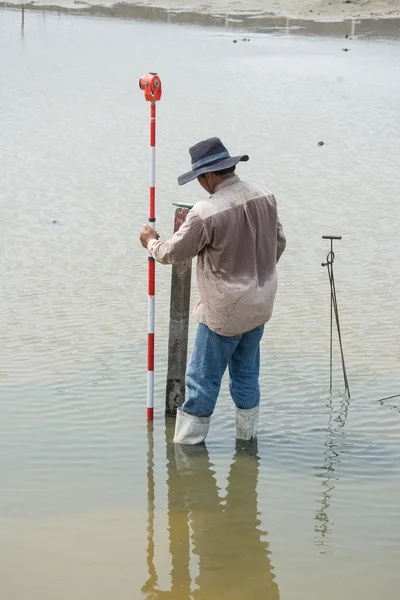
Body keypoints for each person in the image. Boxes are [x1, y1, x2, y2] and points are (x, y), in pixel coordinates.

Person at [139, 137, 286, 445]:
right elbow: (279, 243)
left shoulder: (206, 211)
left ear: (208, 175)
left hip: (224, 313)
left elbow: (172, 253)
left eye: (199, 179)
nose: (201, 185)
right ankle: (247, 441)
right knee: (246, 376)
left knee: (202, 382)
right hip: (260, 304)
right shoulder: (266, 196)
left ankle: (188, 454)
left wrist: (151, 241)